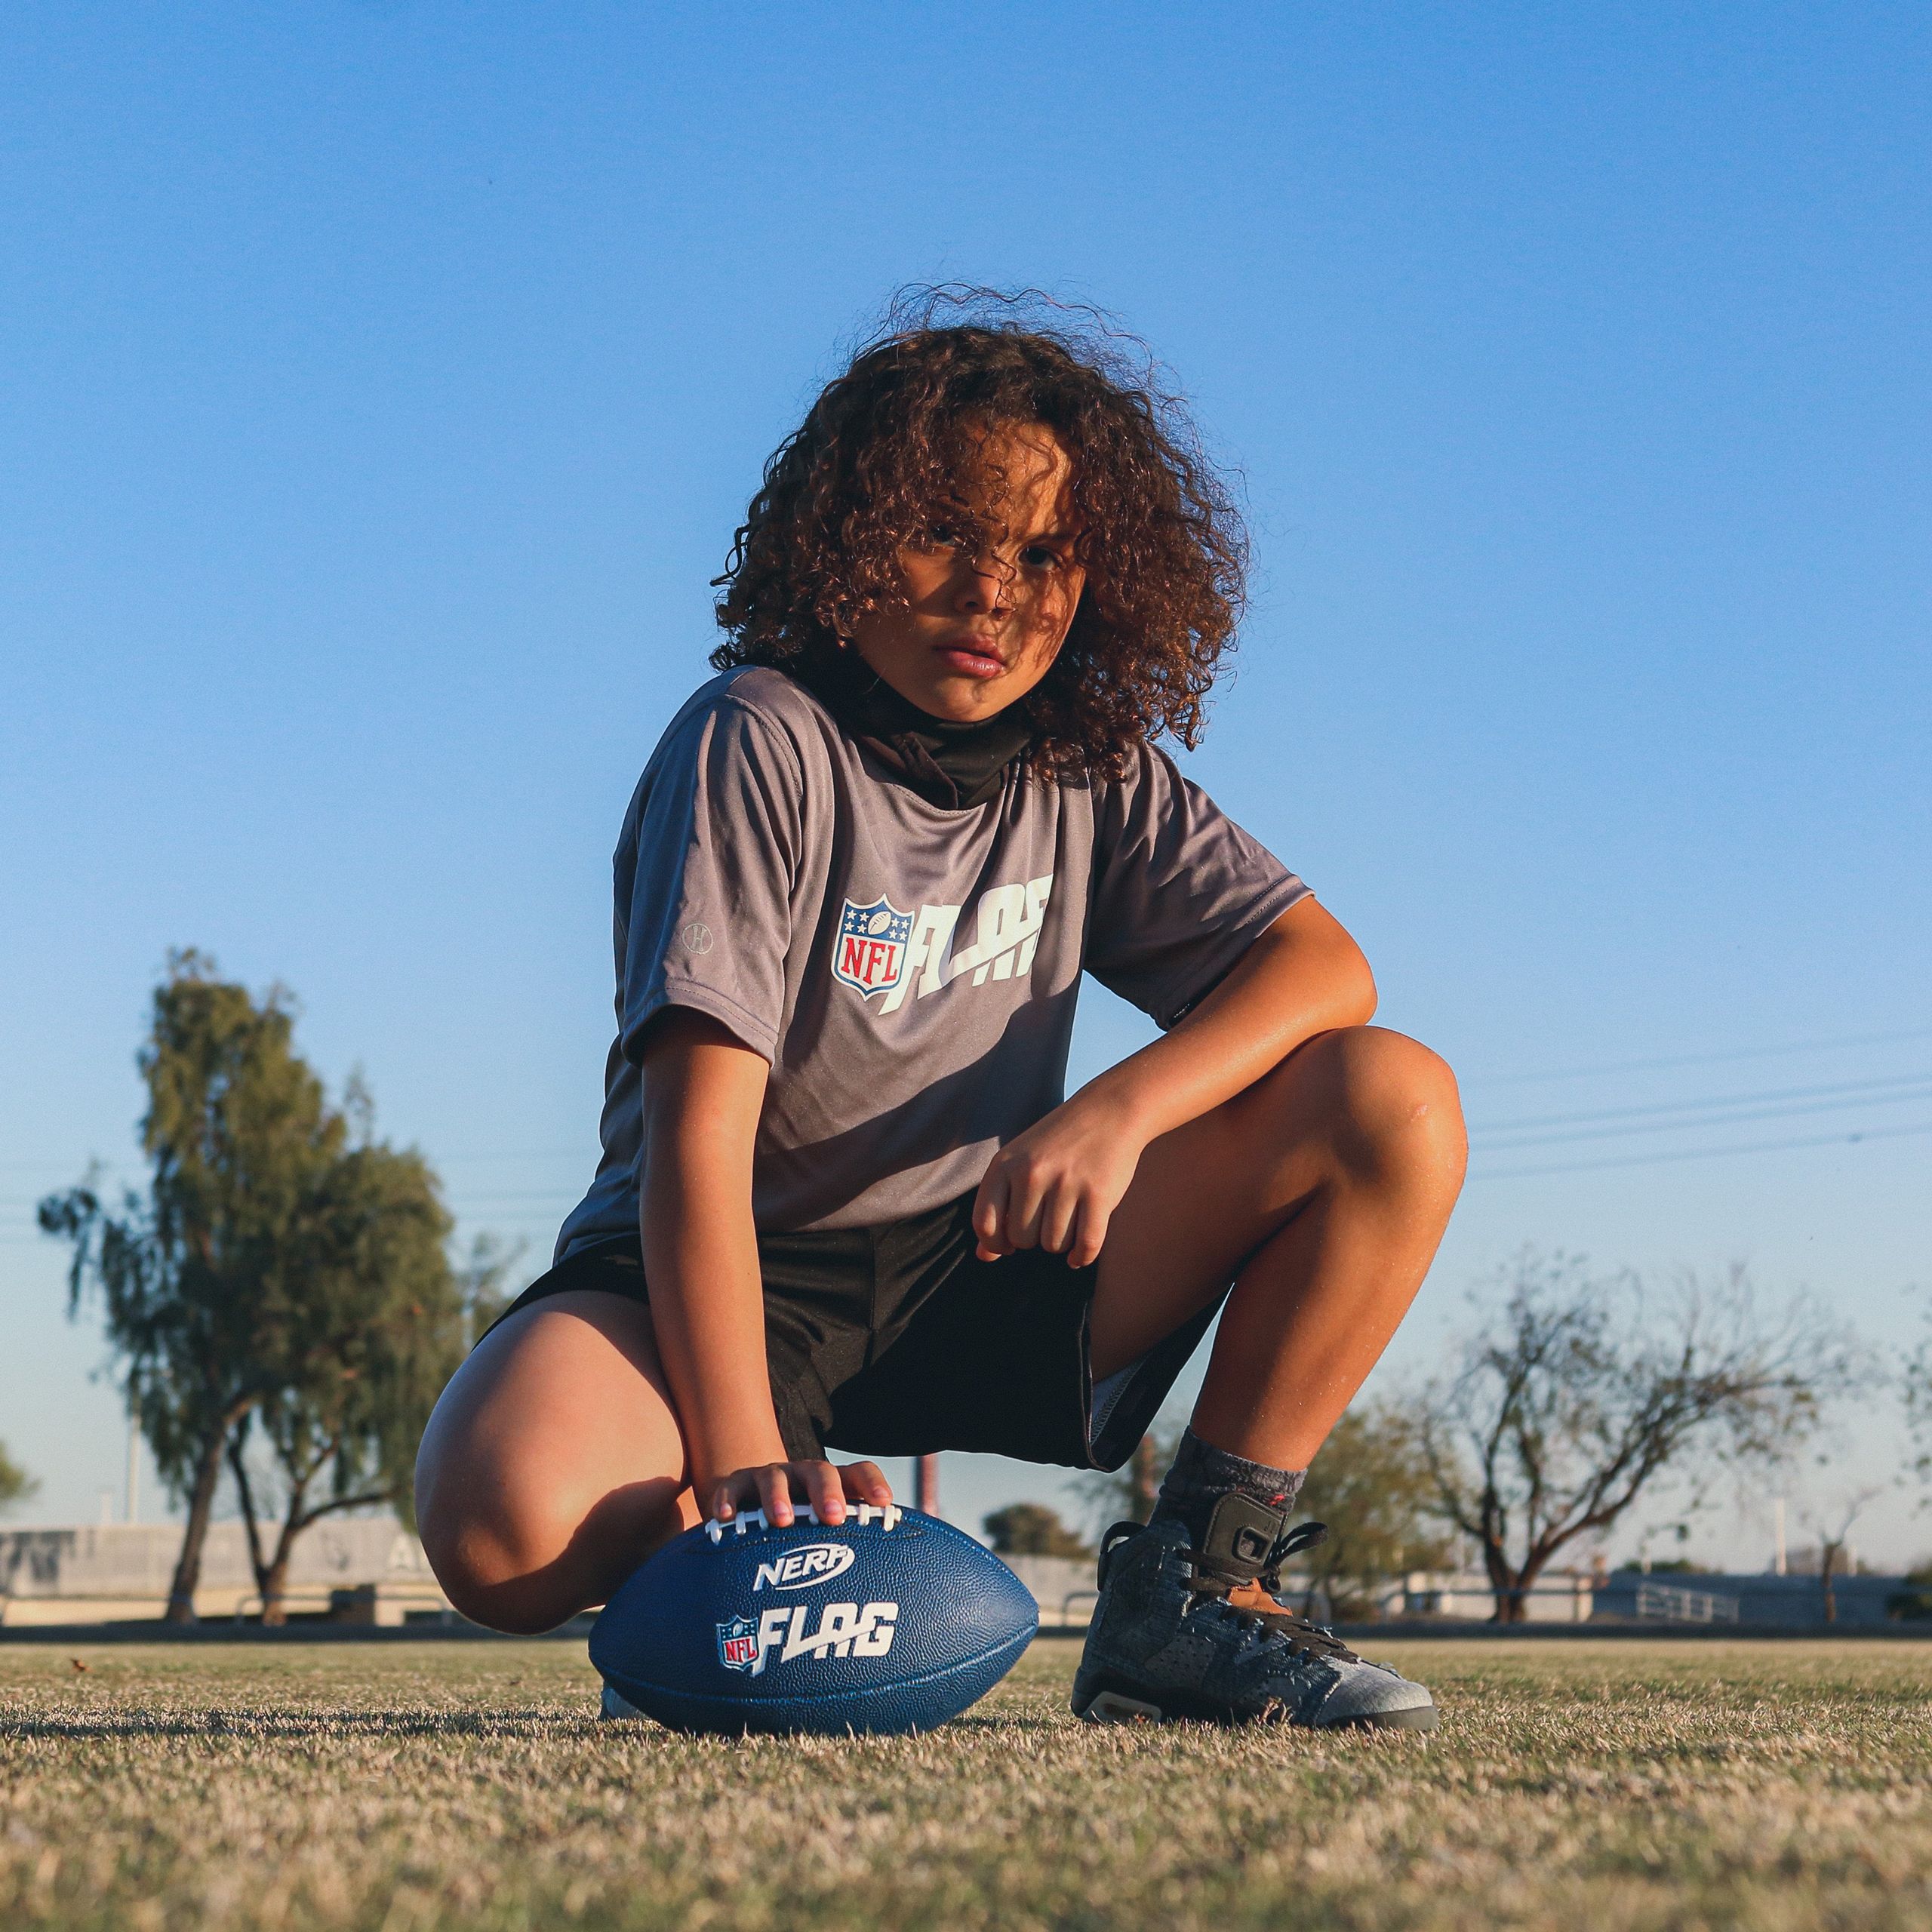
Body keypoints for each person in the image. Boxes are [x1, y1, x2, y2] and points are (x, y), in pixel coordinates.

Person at [414, 292, 1466, 1730]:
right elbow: (697, 1149)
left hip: (977, 1257)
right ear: (843, 540)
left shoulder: (1092, 767)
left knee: (1388, 1100)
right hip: (732, 1269)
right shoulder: (758, 739)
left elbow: (1324, 968)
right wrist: (737, 1483)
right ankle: (694, 1601)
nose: (994, 591)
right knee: (500, 1525)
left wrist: (1120, 1107)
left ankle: (1196, 1594)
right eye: (947, 536)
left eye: (1043, 553)